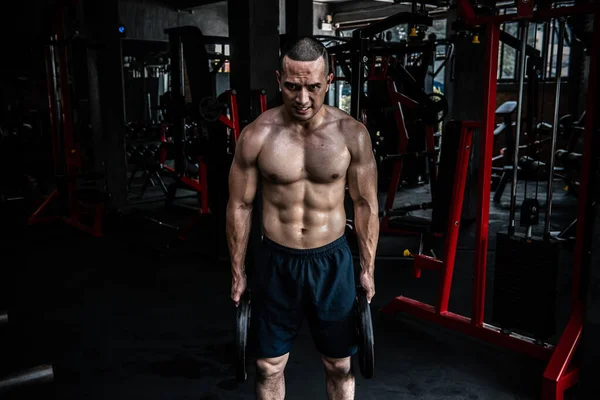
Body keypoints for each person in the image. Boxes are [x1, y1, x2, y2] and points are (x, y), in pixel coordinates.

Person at [226, 36, 379, 400]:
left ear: (329, 81)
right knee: (268, 366)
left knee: (340, 364)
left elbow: (365, 203)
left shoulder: (351, 135)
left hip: (332, 261)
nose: (303, 99)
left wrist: (368, 269)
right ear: (279, 80)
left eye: (313, 87)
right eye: (293, 87)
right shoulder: (257, 135)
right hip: (276, 261)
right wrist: (238, 272)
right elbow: (240, 205)